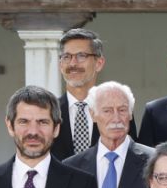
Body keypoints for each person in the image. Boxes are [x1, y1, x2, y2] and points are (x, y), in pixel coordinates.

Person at [51, 28, 137, 160]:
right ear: (60, 64)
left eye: (81, 56)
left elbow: (131, 158)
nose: (73, 63)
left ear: (99, 63)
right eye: (67, 57)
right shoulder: (48, 112)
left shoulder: (118, 111)